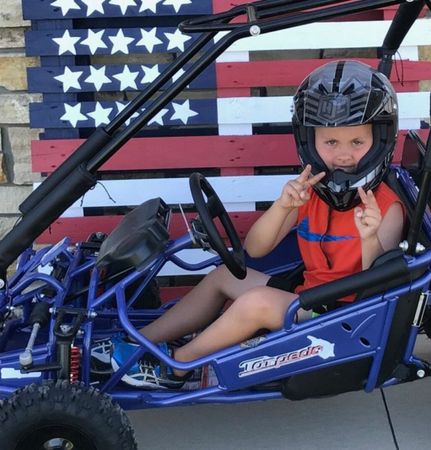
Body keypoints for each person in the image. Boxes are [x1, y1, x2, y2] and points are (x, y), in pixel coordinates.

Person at [92, 60, 406, 389]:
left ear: (380, 141)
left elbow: (379, 289)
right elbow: (255, 249)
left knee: (257, 303)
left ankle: (178, 367)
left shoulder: (385, 207)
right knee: (225, 275)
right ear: (311, 143)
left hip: (344, 317)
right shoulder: (312, 192)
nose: (343, 155)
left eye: (357, 142)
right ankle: (138, 342)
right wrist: (283, 207)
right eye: (331, 143)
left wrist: (369, 237)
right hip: (307, 298)